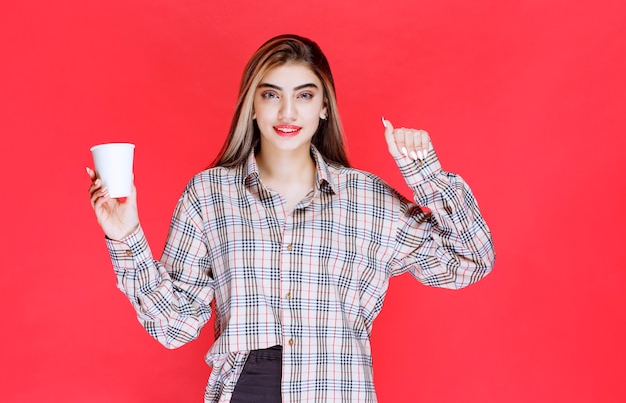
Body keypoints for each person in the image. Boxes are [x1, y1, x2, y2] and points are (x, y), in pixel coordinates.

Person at [87, 34, 495, 403]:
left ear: (322, 107)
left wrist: (425, 173)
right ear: (251, 106)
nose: (287, 111)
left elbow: (471, 260)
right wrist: (127, 238)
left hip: (337, 389)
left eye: (303, 95)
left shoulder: (367, 200)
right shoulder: (209, 195)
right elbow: (174, 326)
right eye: (270, 95)